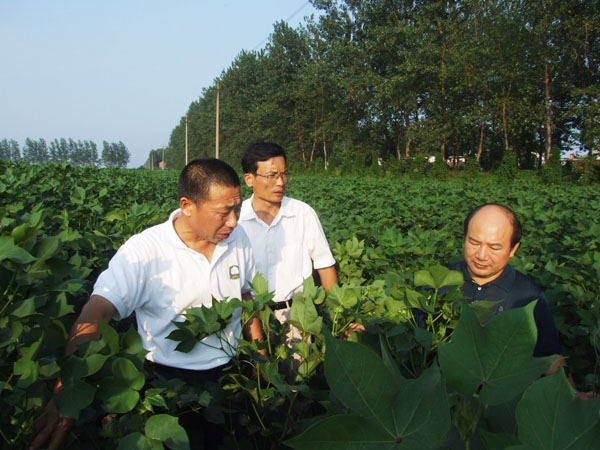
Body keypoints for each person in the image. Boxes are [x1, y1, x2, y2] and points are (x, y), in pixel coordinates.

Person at [30, 158, 263, 449]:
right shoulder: (145, 251)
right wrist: (66, 391)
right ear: (187, 206)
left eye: (237, 208)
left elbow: (246, 297)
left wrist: (261, 362)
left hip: (230, 375)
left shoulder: (238, 238)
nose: (233, 221)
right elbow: (97, 310)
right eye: (223, 212)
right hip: (169, 384)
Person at [452, 203, 593, 399]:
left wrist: (572, 395)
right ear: (465, 238)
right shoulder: (439, 284)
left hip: (501, 402)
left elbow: (548, 355)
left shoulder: (527, 295)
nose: (481, 255)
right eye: (474, 242)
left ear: (513, 249)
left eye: (494, 247)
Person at [238, 143, 338, 339]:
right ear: (249, 179)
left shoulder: (302, 213)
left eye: (284, 174)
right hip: (251, 316)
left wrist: (339, 314)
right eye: (271, 175)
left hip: (296, 317)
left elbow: (325, 265)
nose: (280, 182)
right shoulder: (237, 220)